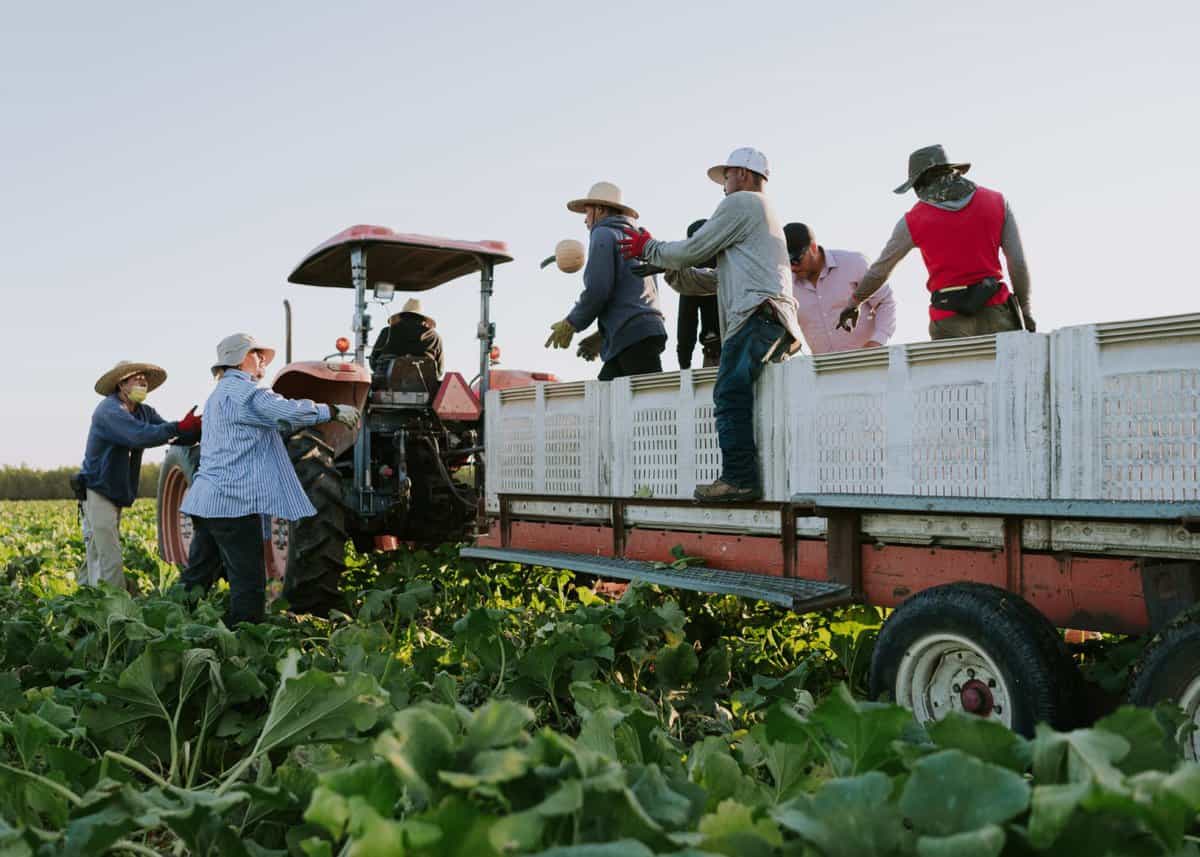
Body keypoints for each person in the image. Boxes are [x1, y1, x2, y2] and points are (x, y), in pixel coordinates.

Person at [619, 147, 802, 502]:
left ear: (745, 175)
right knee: (752, 398)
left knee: (728, 393)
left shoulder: (743, 203)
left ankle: (738, 480)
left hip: (755, 314)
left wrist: (650, 248)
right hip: (772, 319)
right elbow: (707, 280)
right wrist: (667, 265)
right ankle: (761, 477)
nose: (724, 186)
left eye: (727, 176)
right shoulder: (763, 214)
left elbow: (694, 249)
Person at [179, 333, 360, 626]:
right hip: (233, 505)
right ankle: (243, 644)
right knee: (249, 584)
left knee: (197, 576)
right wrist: (333, 410)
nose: (262, 359)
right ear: (240, 359)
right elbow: (285, 410)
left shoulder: (218, 395)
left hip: (208, 500)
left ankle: (169, 620)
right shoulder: (245, 392)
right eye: (256, 353)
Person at [838, 144, 1033, 340]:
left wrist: (854, 303)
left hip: (949, 320)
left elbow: (880, 270)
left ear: (920, 184)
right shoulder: (996, 202)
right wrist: (1024, 310)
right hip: (997, 312)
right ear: (952, 172)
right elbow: (1017, 263)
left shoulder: (913, 220)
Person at [77, 361, 200, 592]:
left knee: (96, 546)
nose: (143, 382)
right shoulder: (109, 411)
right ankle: (115, 607)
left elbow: (167, 434)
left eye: (145, 379)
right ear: (121, 384)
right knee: (109, 553)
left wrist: (191, 430)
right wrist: (178, 427)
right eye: (137, 378)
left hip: (117, 489)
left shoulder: (144, 412)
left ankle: (82, 595)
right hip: (97, 489)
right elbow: (139, 436)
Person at [546, 181, 667, 380]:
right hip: (644, 331)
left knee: (653, 405)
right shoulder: (637, 239)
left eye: (587, 212)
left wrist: (572, 322)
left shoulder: (603, 233)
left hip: (633, 336)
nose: (585, 221)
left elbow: (598, 290)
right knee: (607, 402)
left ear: (600, 210)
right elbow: (634, 296)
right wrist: (602, 337)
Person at [784, 222, 896, 353]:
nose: (792, 267)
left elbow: (885, 301)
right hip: (824, 369)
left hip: (869, 364)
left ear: (813, 248)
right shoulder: (786, 284)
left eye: (796, 260)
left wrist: (877, 342)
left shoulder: (854, 263)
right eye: (787, 262)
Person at [669, 219, 721, 369]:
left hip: (715, 350)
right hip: (743, 343)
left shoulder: (692, 275)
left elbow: (687, 324)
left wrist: (684, 365)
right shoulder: (730, 263)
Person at [370, 298, 444, 376]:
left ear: (401, 317)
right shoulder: (435, 337)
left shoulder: (387, 332)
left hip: (386, 383)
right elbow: (439, 371)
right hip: (425, 385)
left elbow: (373, 361)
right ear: (423, 319)